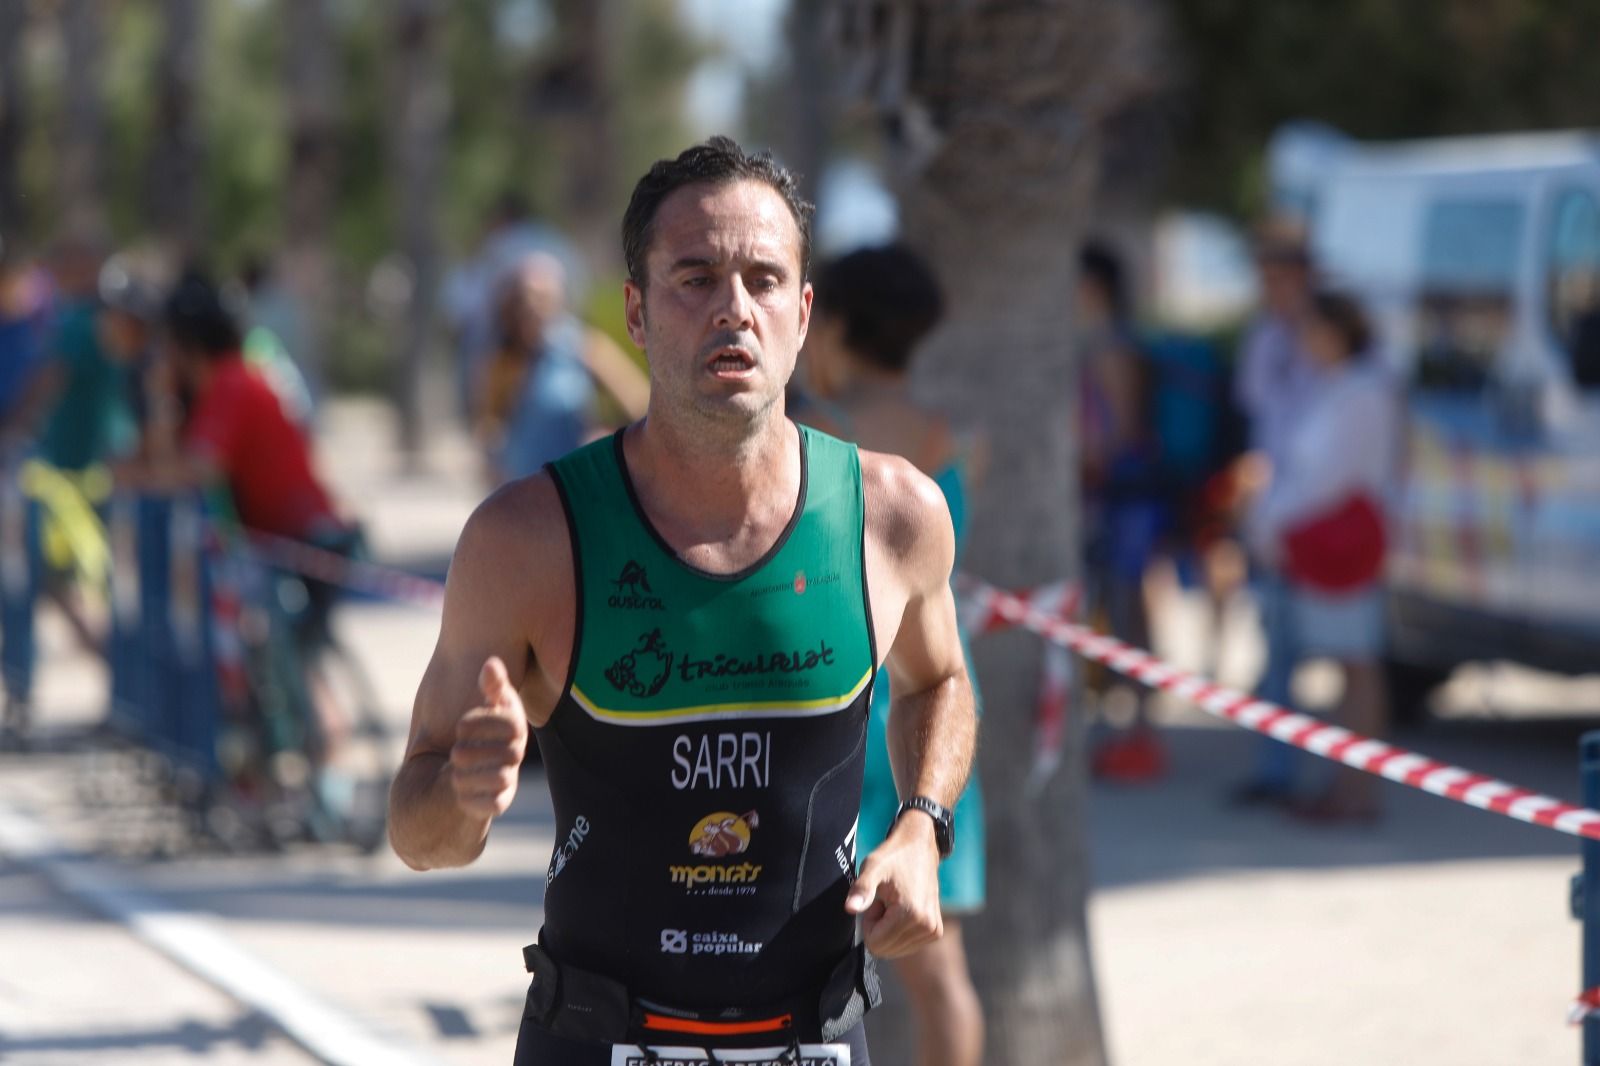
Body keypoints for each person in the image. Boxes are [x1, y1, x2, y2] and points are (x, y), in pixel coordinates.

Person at [390, 137, 978, 1066]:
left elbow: (939, 679)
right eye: (694, 278)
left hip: (815, 1039)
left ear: (803, 312)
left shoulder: (893, 515)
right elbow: (416, 832)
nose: (733, 310)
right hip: (598, 1037)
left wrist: (923, 826)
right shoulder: (528, 540)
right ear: (634, 310)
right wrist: (465, 800)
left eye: (764, 279)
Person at [797, 244, 985, 1066]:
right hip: (939, 693)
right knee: (943, 975)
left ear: (831, 327)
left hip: (848, 701)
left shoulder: (815, 441)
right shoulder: (952, 440)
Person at [1249, 291, 1398, 821]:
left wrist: (1273, 524)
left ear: (1338, 333)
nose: (1304, 342)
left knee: (1356, 667)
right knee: (1348, 668)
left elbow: (1331, 479)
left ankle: (1355, 793)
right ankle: (1346, 788)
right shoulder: (1337, 387)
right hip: (1320, 544)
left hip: (1340, 547)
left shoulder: (1360, 392)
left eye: (1312, 330)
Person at [1228, 226, 1322, 806]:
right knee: (1275, 642)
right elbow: (1258, 411)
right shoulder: (1265, 337)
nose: (1271, 289)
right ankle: (1277, 771)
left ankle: (1342, 780)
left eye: (1279, 277)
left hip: (1319, 512)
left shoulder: (1326, 335)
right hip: (1275, 513)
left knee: (1346, 652)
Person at [1075, 240, 1168, 782]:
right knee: (1115, 616)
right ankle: (1128, 733)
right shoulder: (1099, 342)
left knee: (1129, 615)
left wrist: (1087, 464)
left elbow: (1123, 431)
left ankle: (1141, 735)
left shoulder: (1111, 347)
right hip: (1112, 500)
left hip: (1121, 502)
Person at [475, 251, 649, 485]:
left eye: (539, 297)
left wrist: (609, 440)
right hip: (521, 489)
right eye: (521, 299)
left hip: (575, 487)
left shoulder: (583, 347)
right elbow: (490, 423)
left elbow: (638, 403)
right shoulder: (504, 359)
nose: (529, 307)